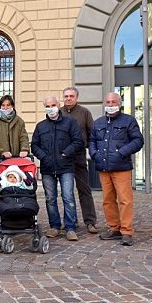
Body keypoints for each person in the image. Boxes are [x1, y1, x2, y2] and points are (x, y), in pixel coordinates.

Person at [89, 92, 144, 246]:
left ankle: (126, 231)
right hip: (103, 167)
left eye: (113, 102)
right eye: (108, 102)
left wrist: (121, 152)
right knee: (108, 200)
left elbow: (138, 140)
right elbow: (92, 140)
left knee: (125, 200)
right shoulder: (98, 122)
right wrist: (94, 154)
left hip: (121, 167)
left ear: (119, 103)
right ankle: (114, 228)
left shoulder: (129, 121)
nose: (110, 104)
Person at [31, 96, 83, 241]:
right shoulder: (41, 126)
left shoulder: (70, 123)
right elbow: (34, 145)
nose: (51, 108)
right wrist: (43, 157)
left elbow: (78, 141)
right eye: (47, 105)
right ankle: (54, 226)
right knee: (50, 199)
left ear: (58, 105)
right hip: (47, 168)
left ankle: (70, 228)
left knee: (68, 197)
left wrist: (66, 152)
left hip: (66, 166)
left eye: (53, 105)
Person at [60, 87, 98, 234]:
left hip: (79, 156)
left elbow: (92, 133)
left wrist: (86, 147)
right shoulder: (59, 112)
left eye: (71, 96)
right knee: (65, 191)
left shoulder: (84, 112)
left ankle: (90, 221)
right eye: (66, 96)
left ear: (76, 98)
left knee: (84, 189)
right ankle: (71, 221)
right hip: (63, 157)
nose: (68, 98)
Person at [0, 95, 30, 160]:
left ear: (12, 106)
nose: (5, 108)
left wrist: (24, 149)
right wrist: (1, 152)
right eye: (3, 105)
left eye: (8, 105)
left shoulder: (19, 121)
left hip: (16, 159)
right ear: (0, 106)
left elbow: (23, 138)